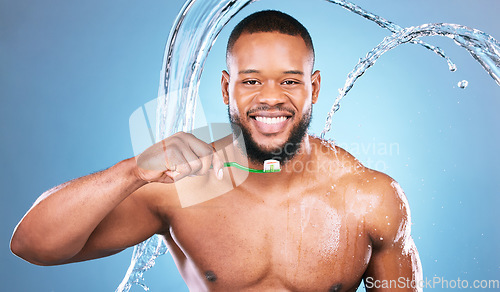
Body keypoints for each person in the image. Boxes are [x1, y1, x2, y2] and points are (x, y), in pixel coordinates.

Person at [10, 10, 422, 291]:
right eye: (252, 81)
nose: (271, 98)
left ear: (313, 88)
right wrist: (132, 171)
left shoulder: (368, 197)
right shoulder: (182, 183)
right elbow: (32, 247)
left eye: (290, 82)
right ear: (227, 87)